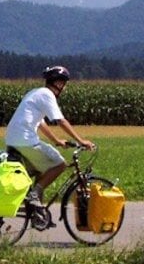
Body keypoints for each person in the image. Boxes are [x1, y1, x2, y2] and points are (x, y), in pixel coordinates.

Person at [5, 65, 95, 207]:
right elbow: (60, 120)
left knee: (44, 169)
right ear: (58, 83)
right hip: (26, 140)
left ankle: (37, 212)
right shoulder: (47, 95)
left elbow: (41, 123)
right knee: (60, 164)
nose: (64, 88)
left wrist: (56, 140)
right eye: (64, 84)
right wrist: (81, 140)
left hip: (13, 140)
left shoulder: (35, 93)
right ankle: (33, 195)